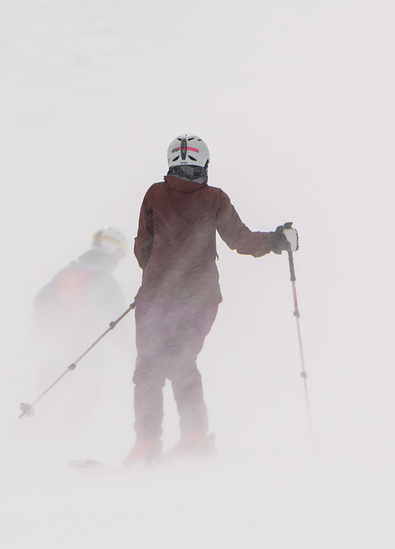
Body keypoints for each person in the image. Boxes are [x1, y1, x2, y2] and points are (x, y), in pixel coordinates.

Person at [125, 135, 297, 466]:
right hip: (200, 299)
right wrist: (278, 240)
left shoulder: (155, 194)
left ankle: (147, 442)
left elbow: (142, 246)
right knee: (182, 363)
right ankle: (194, 439)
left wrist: (159, 274)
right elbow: (241, 241)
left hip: (157, 297)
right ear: (203, 163)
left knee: (149, 369)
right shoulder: (214, 198)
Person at [31, 227, 131, 424]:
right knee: (83, 400)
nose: (119, 259)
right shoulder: (107, 282)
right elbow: (121, 324)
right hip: (87, 353)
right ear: (111, 249)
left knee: (44, 398)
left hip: (56, 347)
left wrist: (39, 332)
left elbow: (41, 302)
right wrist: (134, 354)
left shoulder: (67, 272)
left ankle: (26, 436)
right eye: (119, 253)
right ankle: (65, 441)